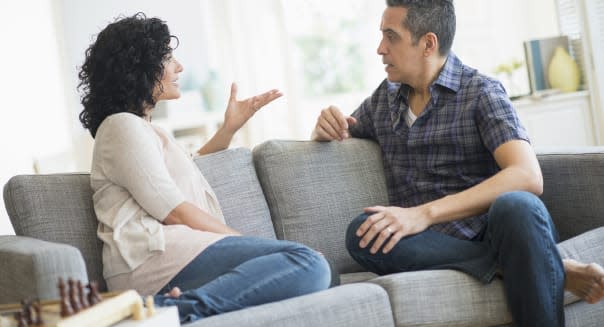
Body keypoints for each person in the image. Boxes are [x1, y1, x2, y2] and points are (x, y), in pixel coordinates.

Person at [311, 1, 604, 326]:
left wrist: (423, 214)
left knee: (518, 206)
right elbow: (344, 130)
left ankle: (526, 256)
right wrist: (324, 127)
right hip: (430, 244)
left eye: (391, 37)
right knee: (361, 233)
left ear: (428, 43)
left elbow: (527, 175)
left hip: (496, 231)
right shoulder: (384, 99)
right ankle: (542, 264)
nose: (380, 49)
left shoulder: (481, 92)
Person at [78, 13, 331, 323]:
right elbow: (173, 209)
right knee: (306, 262)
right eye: (168, 58)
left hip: (175, 256)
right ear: (140, 67)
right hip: (151, 260)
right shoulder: (122, 127)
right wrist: (243, 242)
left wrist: (228, 129)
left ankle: (180, 306)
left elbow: (186, 167)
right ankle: (167, 313)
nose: (179, 66)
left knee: (316, 270)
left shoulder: (140, 128)